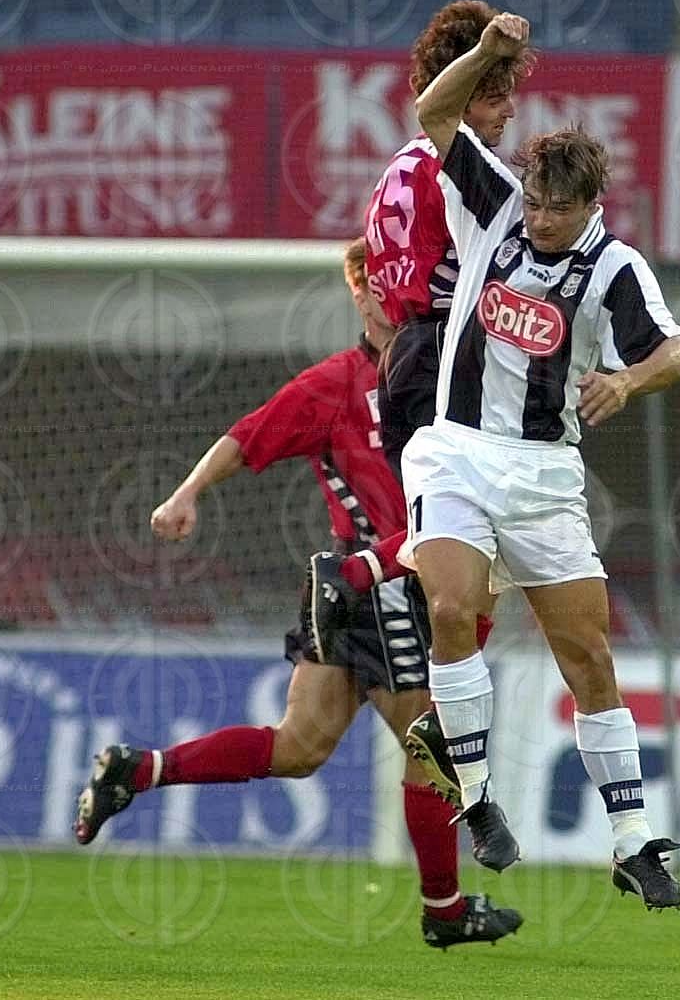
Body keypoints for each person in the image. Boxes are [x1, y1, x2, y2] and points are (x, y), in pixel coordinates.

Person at [73, 240, 523, 949]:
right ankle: (444, 910)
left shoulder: (445, 372)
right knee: (431, 747)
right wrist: (187, 492)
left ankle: (138, 769)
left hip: (370, 584)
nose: (394, 292)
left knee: (298, 746)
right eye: (379, 282)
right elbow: (247, 436)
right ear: (360, 294)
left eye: (401, 278)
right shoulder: (335, 384)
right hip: (375, 584)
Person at [402, 12, 680, 910]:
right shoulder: (493, 204)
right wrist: (487, 55)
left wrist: (627, 379)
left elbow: (676, 353)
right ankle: (478, 798)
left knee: (588, 655)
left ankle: (632, 842)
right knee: (451, 606)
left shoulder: (616, 268)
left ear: (590, 206)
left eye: (554, 209)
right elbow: (432, 113)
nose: (536, 217)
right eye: (531, 201)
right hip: (456, 450)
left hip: (545, 476)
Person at [304, 0, 534, 826]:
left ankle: (368, 586)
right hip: (447, 359)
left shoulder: (397, 168)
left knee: (462, 545)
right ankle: (362, 579)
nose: (509, 110)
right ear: (464, 87)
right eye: (497, 92)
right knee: (498, 532)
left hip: (405, 355)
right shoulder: (455, 163)